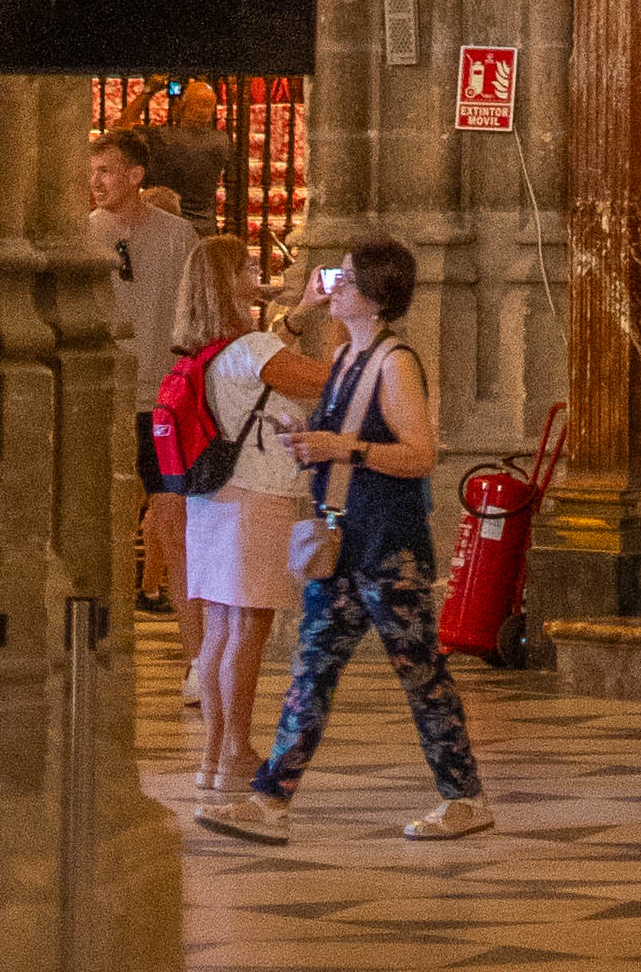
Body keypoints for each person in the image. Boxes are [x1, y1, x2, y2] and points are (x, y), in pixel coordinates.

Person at [199, 231, 490, 849]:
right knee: (312, 670)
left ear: (377, 295)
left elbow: (420, 454)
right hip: (340, 536)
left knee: (420, 671)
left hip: (389, 544)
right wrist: (304, 436)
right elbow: (340, 436)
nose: (337, 288)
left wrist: (345, 448)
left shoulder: (395, 361)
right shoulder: (347, 360)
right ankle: (270, 801)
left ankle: (462, 798)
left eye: (349, 280)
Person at [176, 243, 317, 809]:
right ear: (229, 281)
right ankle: (235, 748)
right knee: (248, 629)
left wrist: (299, 314)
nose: (260, 277)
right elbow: (316, 379)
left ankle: (214, 758)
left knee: (219, 630)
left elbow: (274, 362)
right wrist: (364, 343)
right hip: (256, 496)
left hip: (211, 498)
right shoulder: (252, 347)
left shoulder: (209, 349)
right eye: (249, 271)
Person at [89, 124, 218, 622]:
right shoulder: (84, 232)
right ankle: (105, 619)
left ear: (135, 175)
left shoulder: (177, 235)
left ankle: (193, 655)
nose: (96, 182)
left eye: (106, 171)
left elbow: (194, 311)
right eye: (92, 172)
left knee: (171, 513)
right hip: (105, 393)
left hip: (161, 396)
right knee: (104, 509)